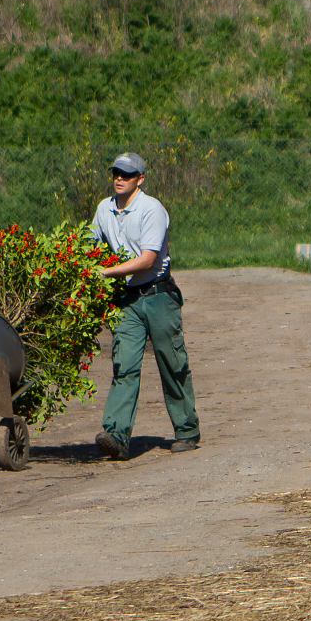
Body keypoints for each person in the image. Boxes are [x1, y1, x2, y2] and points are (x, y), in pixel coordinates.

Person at [91, 152, 200, 459]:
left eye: (126, 174)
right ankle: (116, 435)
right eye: (116, 173)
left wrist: (106, 272)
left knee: (171, 362)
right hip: (126, 300)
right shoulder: (104, 209)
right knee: (123, 364)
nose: (119, 178)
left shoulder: (152, 209)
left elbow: (147, 259)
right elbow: (91, 241)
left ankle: (187, 429)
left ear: (140, 179)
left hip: (158, 296)